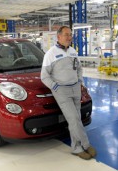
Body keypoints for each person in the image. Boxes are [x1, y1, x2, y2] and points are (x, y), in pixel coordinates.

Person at [40, 26, 96, 160]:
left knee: (75, 119)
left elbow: (79, 69)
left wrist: (80, 82)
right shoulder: (51, 54)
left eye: (70, 35)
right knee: (74, 119)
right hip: (62, 91)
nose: (69, 37)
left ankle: (76, 148)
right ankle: (86, 144)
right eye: (66, 35)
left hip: (75, 88)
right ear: (58, 37)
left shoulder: (72, 51)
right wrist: (55, 87)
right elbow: (44, 76)